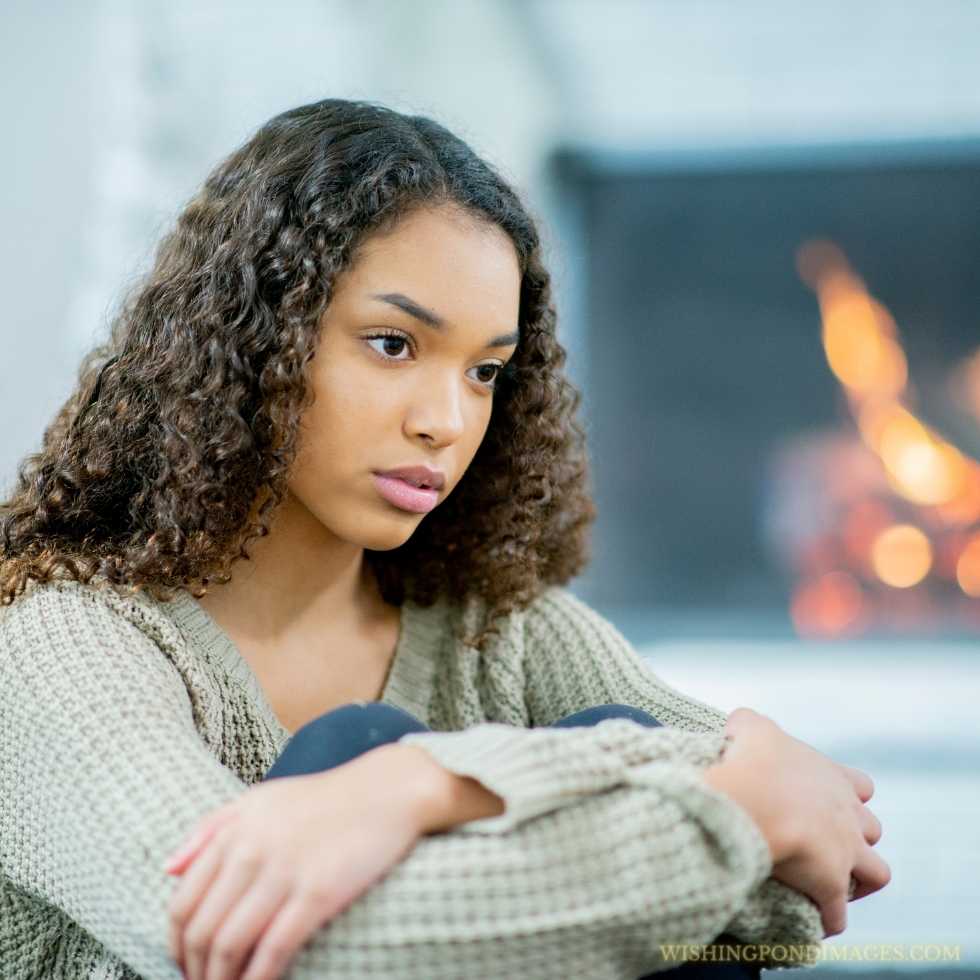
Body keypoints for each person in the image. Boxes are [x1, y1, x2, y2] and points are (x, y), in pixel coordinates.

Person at [0, 98, 890, 980]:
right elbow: (289, 954)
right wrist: (718, 807)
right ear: (251, 338)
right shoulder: (60, 649)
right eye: (392, 344)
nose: (448, 421)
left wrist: (425, 791)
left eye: (485, 371)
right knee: (350, 750)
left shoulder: (496, 631)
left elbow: (804, 885)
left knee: (555, 737)